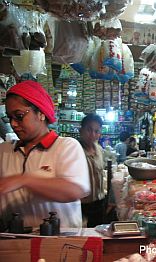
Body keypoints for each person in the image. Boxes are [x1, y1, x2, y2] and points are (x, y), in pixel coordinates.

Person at [0, 80, 90, 228]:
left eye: (19, 116)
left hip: (59, 245)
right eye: (10, 118)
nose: (13, 124)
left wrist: (25, 180)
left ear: (41, 114)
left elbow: (76, 189)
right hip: (12, 243)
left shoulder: (66, 147)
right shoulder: (4, 151)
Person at [79, 113, 106, 227]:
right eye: (89, 130)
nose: (93, 134)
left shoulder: (99, 150)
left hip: (99, 202)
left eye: (97, 131)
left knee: (98, 234)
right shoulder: (74, 149)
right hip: (81, 204)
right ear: (81, 130)